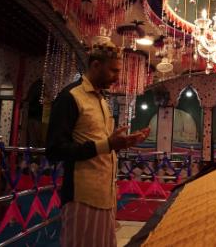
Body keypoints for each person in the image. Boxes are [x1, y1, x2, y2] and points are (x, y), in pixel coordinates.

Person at [45, 41, 150, 247]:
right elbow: (54, 150)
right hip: (81, 197)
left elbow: (102, 144)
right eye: (113, 70)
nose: (117, 77)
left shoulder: (101, 100)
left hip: (106, 195)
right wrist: (108, 144)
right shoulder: (70, 97)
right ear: (95, 65)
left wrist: (122, 142)